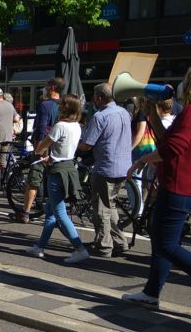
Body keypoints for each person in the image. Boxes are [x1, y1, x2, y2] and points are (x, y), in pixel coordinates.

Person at [122, 64, 191, 321]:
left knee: (167, 245)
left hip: (179, 186)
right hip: (185, 186)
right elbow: (168, 139)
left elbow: (174, 148)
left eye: (186, 80)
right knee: (160, 242)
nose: (181, 85)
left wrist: (140, 161)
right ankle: (151, 294)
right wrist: (151, 115)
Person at [25, 94, 90, 263]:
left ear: (65, 108)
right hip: (68, 167)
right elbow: (65, 150)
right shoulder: (77, 126)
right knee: (50, 212)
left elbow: (41, 147)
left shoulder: (60, 126)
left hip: (57, 171)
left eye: (61, 105)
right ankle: (40, 246)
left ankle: (79, 248)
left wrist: (42, 152)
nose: (58, 107)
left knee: (60, 213)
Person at [78, 83, 133, 258]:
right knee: (111, 206)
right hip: (124, 166)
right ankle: (120, 242)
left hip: (105, 167)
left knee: (101, 208)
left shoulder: (100, 116)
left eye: (95, 96)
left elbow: (87, 144)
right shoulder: (124, 112)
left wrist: (77, 145)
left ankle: (104, 245)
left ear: (99, 98)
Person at [12, 78, 62, 223]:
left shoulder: (45, 105)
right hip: (62, 147)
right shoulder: (66, 103)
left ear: (52, 87)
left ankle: (25, 213)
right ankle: (56, 212)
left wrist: (38, 148)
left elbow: (41, 128)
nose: (45, 89)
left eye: (47, 86)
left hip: (46, 145)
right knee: (56, 179)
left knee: (34, 178)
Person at [0, 88, 21, 170]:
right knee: (2, 160)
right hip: (8, 137)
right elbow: (17, 119)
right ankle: (4, 179)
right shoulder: (10, 105)